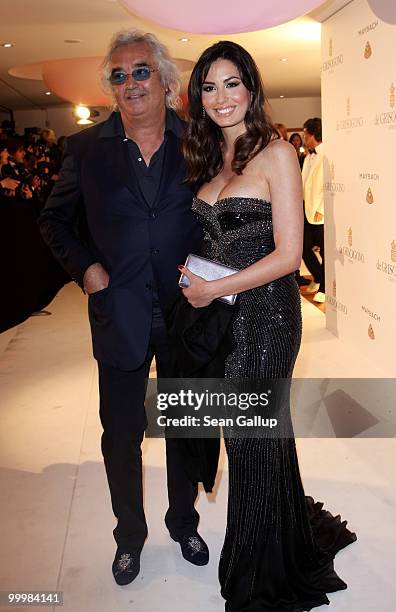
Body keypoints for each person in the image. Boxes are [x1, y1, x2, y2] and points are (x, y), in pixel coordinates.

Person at [180, 41, 356, 611]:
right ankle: (285, 540)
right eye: (209, 87)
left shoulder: (277, 153)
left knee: (251, 440)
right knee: (257, 436)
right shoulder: (208, 160)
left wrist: (213, 288)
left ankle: (260, 574)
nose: (221, 97)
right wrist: (196, 275)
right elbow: (217, 240)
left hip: (268, 318)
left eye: (232, 83)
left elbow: (289, 254)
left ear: (251, 89)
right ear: (198, 98)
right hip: (224, 316)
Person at [39, 29, 207, 586]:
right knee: (121, 435)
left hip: (187, 312)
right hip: (120, 314)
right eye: (119, 74)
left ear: (164, 80)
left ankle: (183, 522)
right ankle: (129, 536)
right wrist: (87, 269)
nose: (131, 83)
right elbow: (54, 221)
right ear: (110, 88)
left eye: (141, 72)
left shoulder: (200, 141)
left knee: (186, 425)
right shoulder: (85, 150)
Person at [302, 118, 325, 303]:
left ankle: (325, 287)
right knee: (303, 248)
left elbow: (330, 185)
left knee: (325, 252)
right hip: (307, 209)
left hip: (320, 213)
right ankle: (319, 277)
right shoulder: (308, 156)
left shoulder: (327, 154)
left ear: (313, 134)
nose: (303, 136)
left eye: (305, 133)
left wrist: (322, 209)